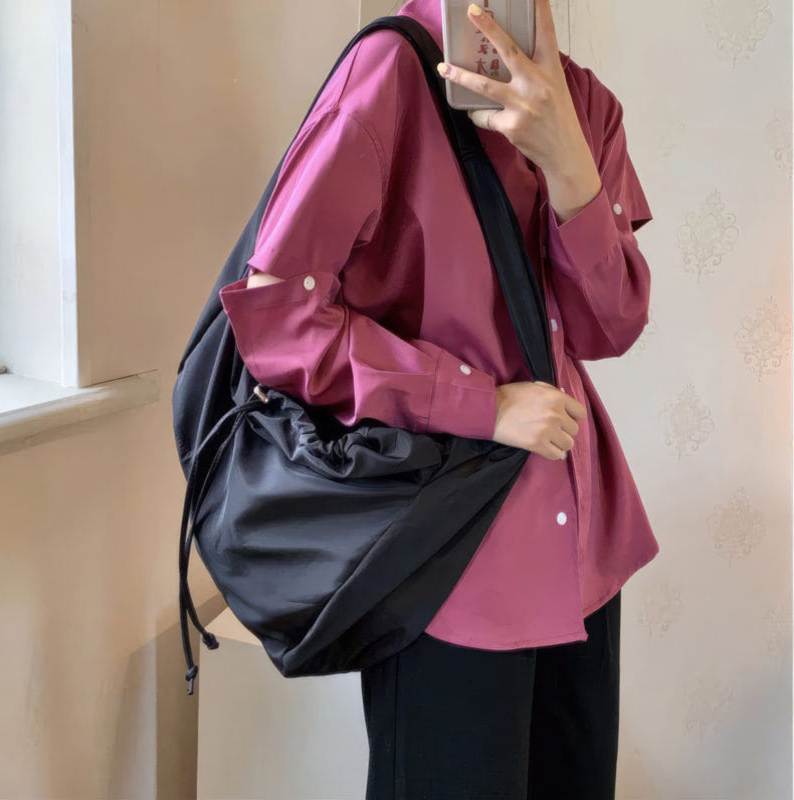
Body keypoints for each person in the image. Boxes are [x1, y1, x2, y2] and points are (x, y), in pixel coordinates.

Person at [218, 0, 660, 796]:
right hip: (450, 557)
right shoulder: (390, 75)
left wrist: (569, 167)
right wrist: (480, 402)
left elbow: (611, 326)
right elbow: (279, 318)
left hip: (582, 550)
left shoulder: (586, 104)